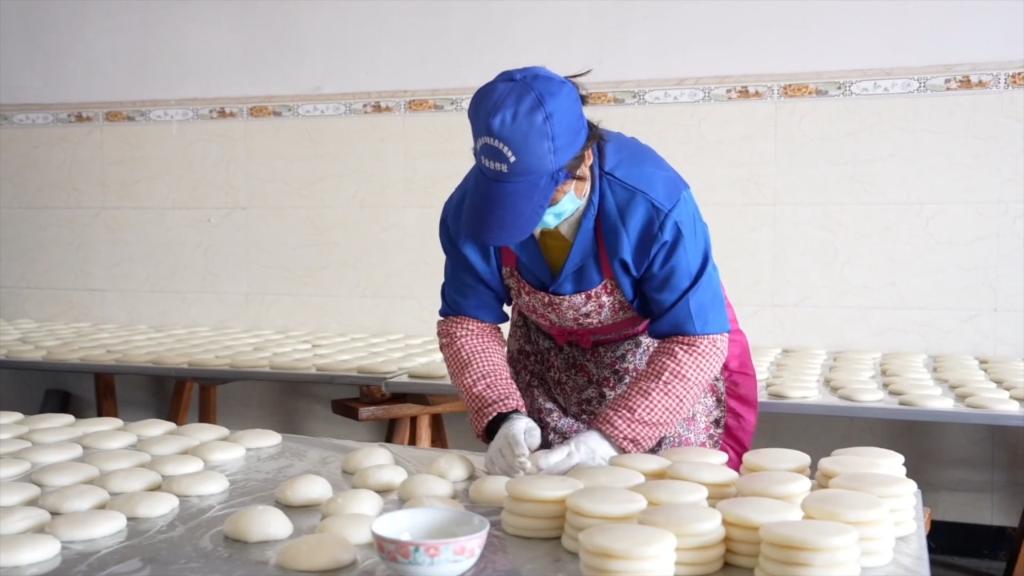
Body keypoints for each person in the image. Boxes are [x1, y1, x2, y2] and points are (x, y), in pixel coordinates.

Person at [436, 66, 757, 476]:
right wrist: (503, 415)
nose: (529, 217)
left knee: (656, 499)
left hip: (654, 376)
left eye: (543, 195)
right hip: (547, 374)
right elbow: (467, 322)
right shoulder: (473, 208)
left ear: (584, 159)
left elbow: (695, 340)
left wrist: (611, 438)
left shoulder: (651, 202)